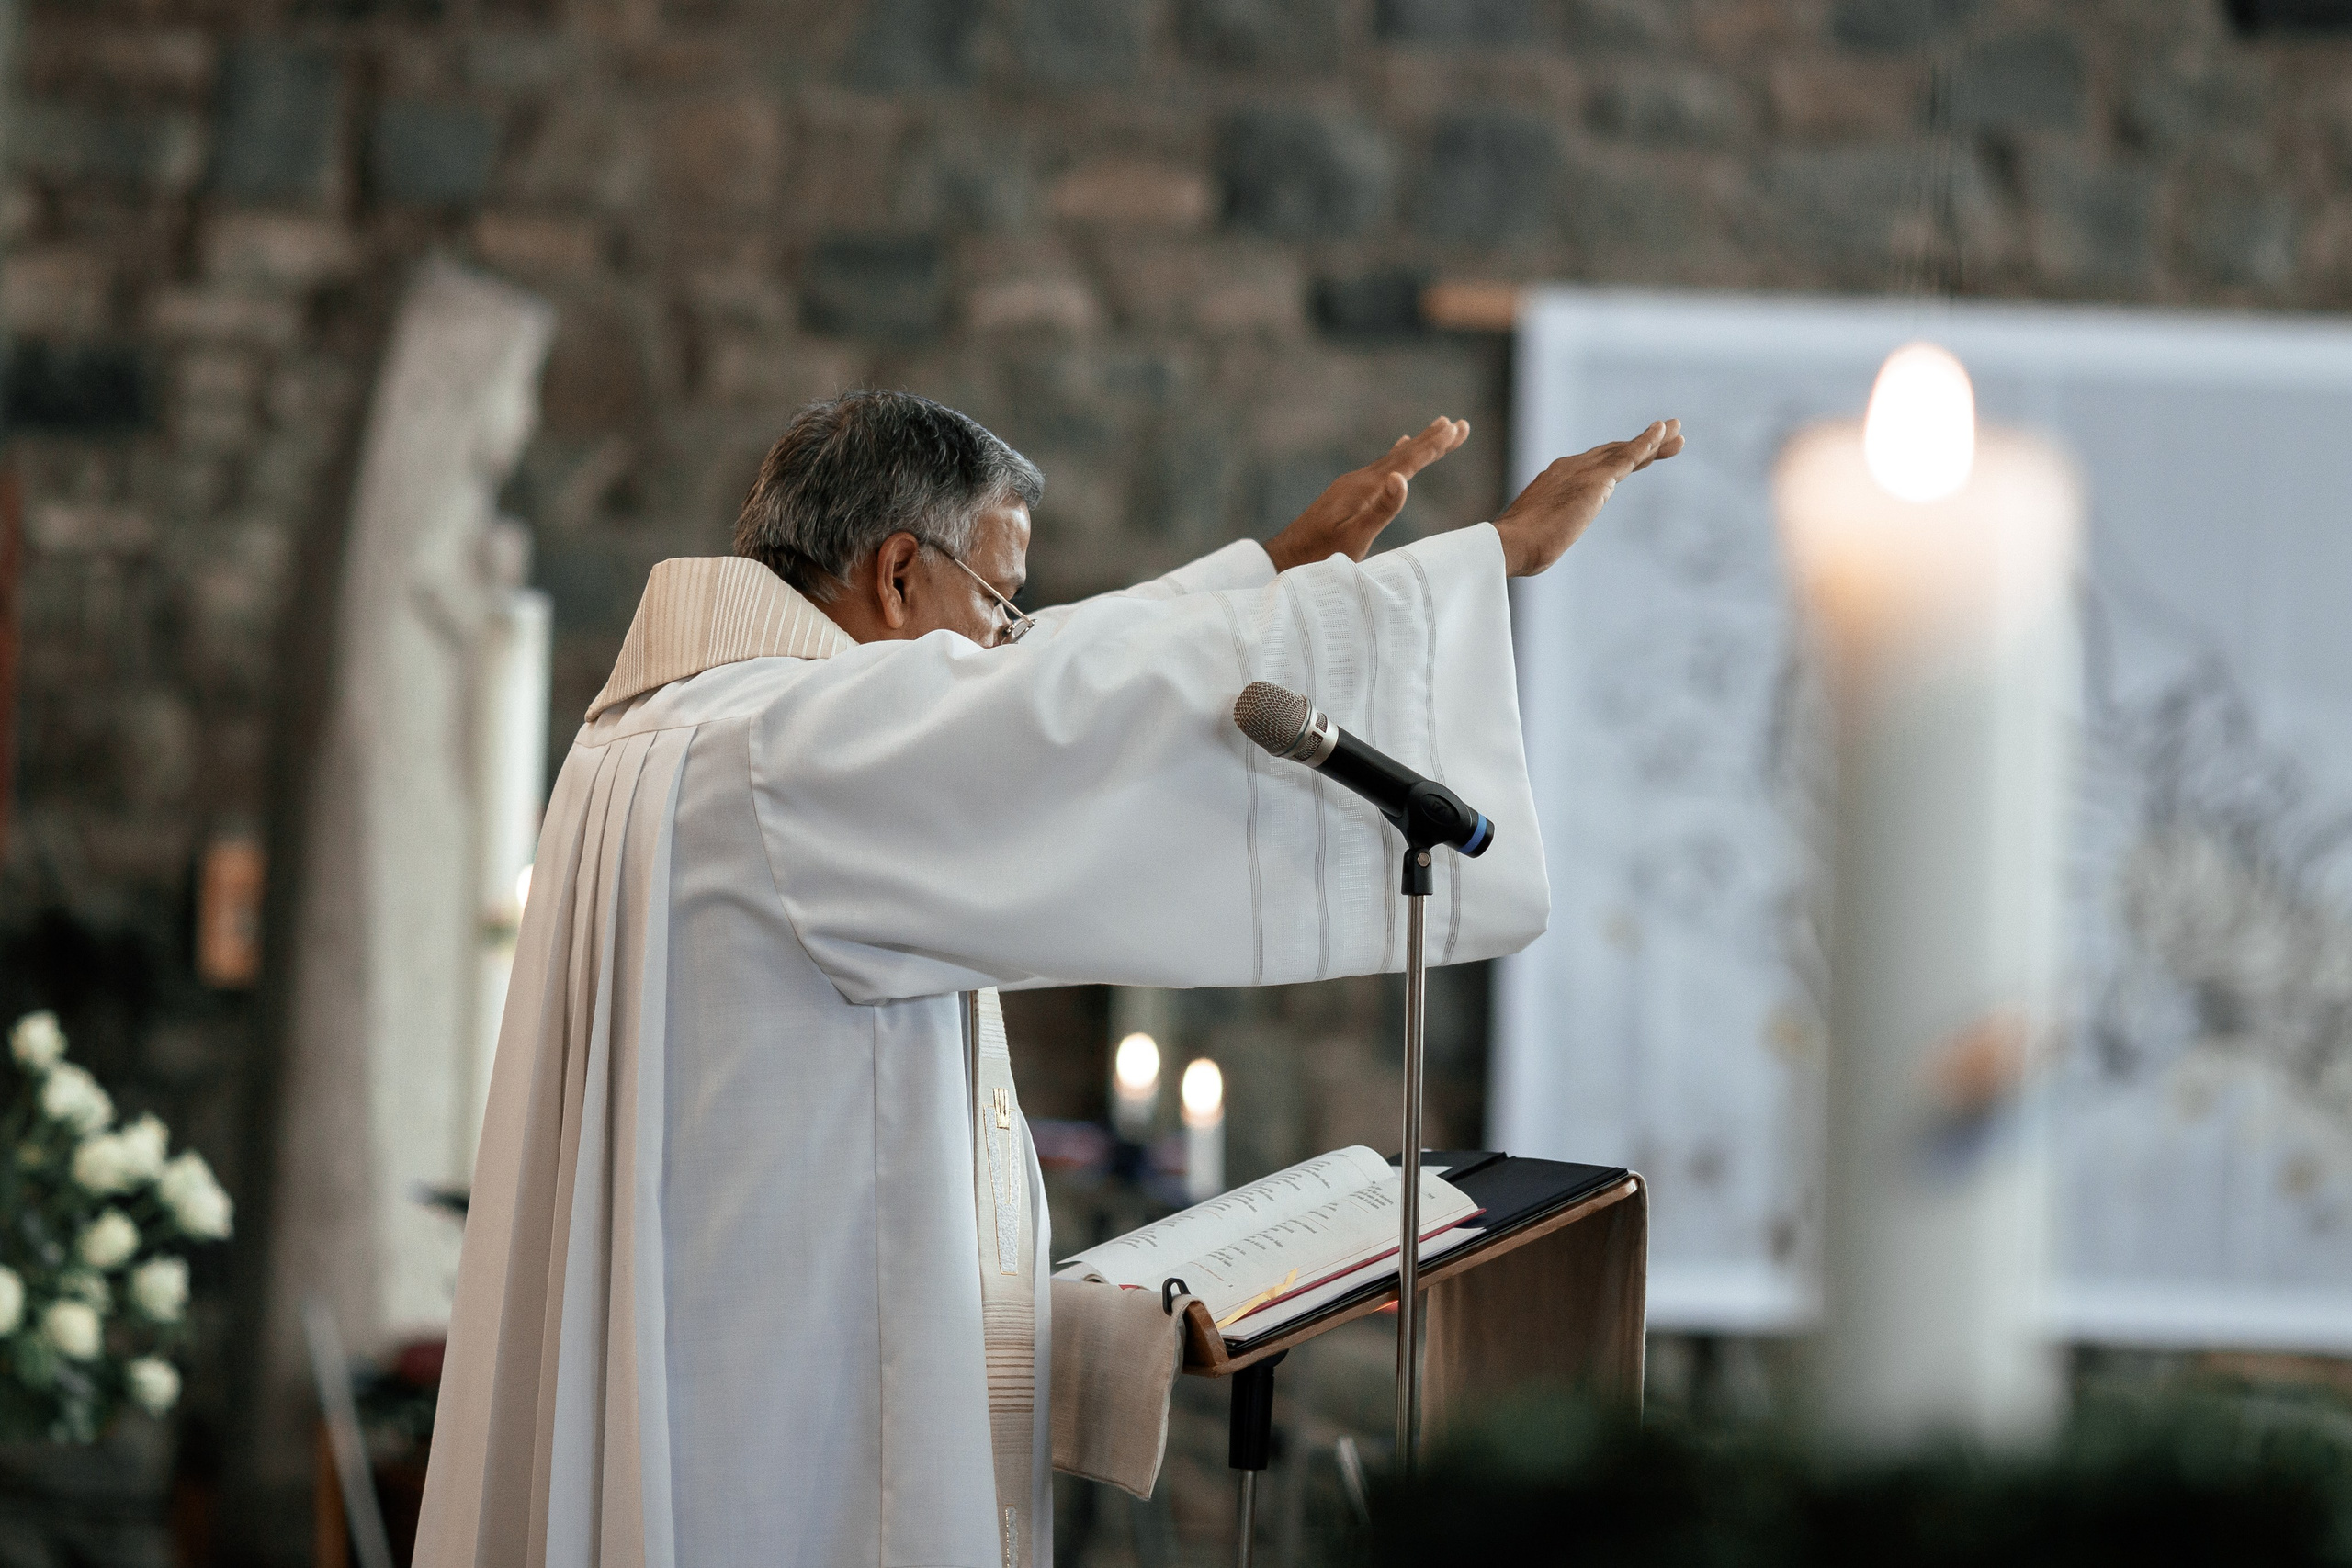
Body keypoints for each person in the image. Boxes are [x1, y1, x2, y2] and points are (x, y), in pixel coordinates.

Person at [413, 391, 1682, 1568]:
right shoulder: (792, 748)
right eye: (1000, 597)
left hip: (719, 1352)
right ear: (899, 570)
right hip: (772, 1431)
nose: (1010, 636)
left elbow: (1049, 678)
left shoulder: (681, 725)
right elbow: (1065, 701)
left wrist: (1274, 579)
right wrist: (1486, 563)